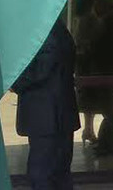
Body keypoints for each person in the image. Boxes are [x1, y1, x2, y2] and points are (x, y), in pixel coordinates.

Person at [12, 19, 80, 190]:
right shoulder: (60, 31)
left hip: (46, 115)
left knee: (42, 173)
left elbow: (40, 70)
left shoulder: (46, 33)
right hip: (58, 113)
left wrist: (14, 82)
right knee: (59, 173)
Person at [89, 0, 113, 156]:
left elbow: (101, 49)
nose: (95, 7)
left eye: (97, 3)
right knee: (110, 111)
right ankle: (108, 143)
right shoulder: (110, 21)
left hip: (109, 74)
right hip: (110, 74)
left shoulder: (109, 23)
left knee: (111, 112)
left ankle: (109, 144)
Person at [72, 0, 99, 146]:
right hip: (89, 65)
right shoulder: (89, 20)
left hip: (83, 66)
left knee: (88, 100)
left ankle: (88, 129)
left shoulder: (79, 21)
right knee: (90, 100)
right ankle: (89, 130)